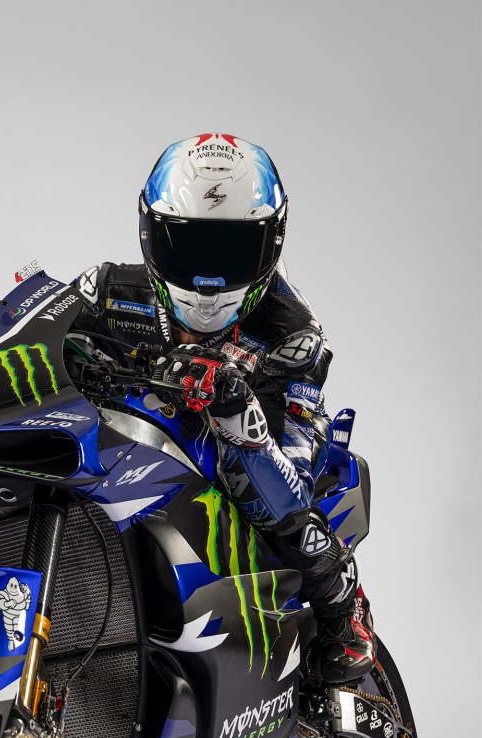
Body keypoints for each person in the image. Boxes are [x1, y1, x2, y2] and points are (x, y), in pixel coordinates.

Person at [71, 132, 375, 684]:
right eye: (186, 248)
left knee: (254, 468)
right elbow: (40, 326)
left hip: (266, 435)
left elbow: (291, 466)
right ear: (151, 237)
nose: (206, 276)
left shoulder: (294, 334)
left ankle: (343, 607)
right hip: (132, 449)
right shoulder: (108, 291)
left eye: (230, 252)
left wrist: (235, 404)